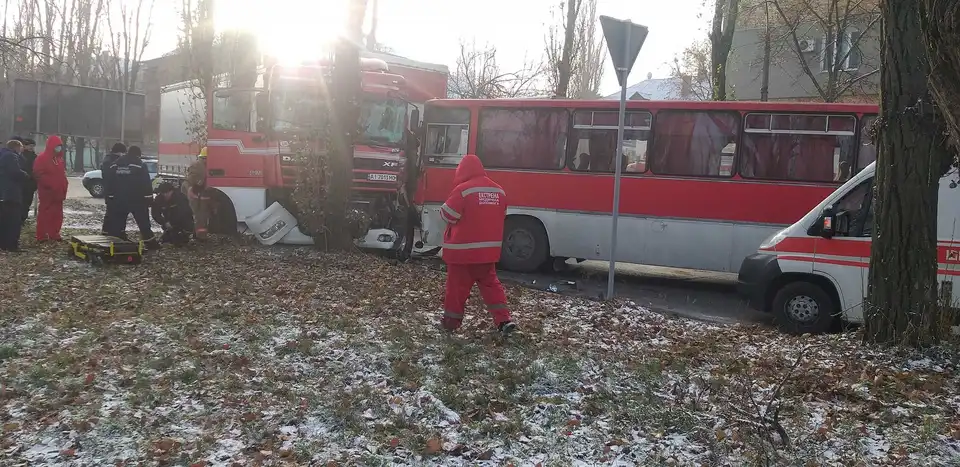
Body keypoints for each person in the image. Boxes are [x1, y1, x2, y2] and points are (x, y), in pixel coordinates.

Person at [438, 154, 516, 335]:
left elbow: (448, 215)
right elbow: (502, 215)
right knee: (491, 287)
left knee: (456, 291)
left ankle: (451, 323)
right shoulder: (499, 191)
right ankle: (504, 320)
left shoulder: (462, 190)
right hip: (487, 255)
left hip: (462, 254)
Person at [103, 145, 156, 245]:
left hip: (119, 199)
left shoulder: (115, 164)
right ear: (138, 155)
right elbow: (146, 183)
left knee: (118, 221)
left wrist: (110, 196)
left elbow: (109, 182)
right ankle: (150, 242)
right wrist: (149, 199)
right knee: (143, 222)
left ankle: (117, 241)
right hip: (137, 199)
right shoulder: (140, 164)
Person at [32, 135, 68, 242]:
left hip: (58, 192)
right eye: (57, 146)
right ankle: (41, 235)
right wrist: (50, 185)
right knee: (45, 213)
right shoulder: (41, 158)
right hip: (47, 192)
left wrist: (64, 185)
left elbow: (61, 175)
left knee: (57, 214)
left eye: (60, 146)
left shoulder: (59, 159)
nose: (59, 148)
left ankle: (54, 233)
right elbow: (38, 174)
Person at [0, 140, 29, 251]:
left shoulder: (3, 154)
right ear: (16, 147)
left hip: (4, 193)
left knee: (5, 220)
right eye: (21, 147)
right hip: (11, 193)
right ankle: (11, 244)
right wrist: (26, 175)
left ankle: (4, 243)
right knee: (13, 220)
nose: (22, 149)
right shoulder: (11, 156)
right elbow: (15, 172)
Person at [151, 181, 194, 246]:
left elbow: (186, 212)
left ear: (172, 191)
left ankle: (187, 233)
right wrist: (164, 222)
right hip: (168, 222)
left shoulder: (180, 197)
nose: (165, 195)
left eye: (167, 192)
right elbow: (155, 214)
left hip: (183, 221)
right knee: (168, 239)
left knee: (181, 239)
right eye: (163, 193)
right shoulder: (158, 199)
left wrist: (173, 222)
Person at [183, 147, 210, 240]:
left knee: (201, 217)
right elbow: (189, 181)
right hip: (195, 195)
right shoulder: (198, 166)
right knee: (199, 217)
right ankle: (200, 236)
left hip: (200, 195)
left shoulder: (203, 165)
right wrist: (190, 190)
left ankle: (198, 234)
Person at [100, 143, 126, 235]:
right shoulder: (111, 162)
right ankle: (109, 231)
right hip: (112, 191)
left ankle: (110, 231)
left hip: (111, 191)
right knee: (112, 212)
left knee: (112, 212)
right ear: (119, 152)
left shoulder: (109, 160)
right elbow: (110, 178)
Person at [18, 138, 38, 224]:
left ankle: (23, 218)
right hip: (22, 182)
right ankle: (20, 218)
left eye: (32, 146)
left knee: (27, 202)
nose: (31, 147)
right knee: (21, 201)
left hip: (30, 184)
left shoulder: (35, 157)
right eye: (29, 145)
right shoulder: (20, 156)